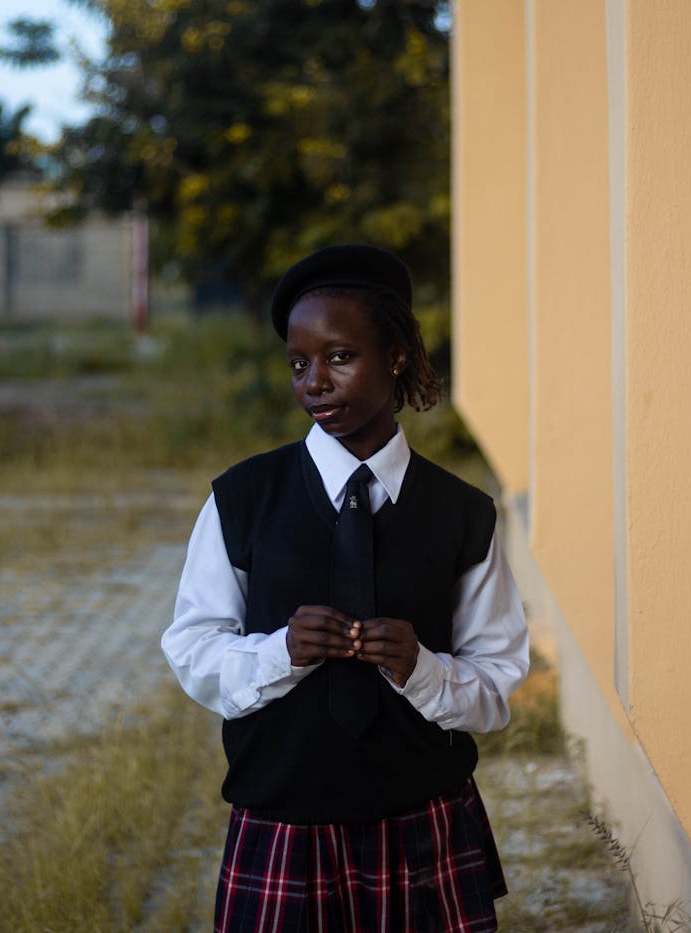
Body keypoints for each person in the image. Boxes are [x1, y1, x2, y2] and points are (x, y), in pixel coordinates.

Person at [161, 244, 529, 933]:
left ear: (395, 354)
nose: (314, 382)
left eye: (338, 356)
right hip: (284, 820)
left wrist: (421, 669)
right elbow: (192, 646)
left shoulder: (462, 514)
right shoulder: (242, 499)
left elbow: (498, 678)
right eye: (299, 363)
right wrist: (280, 651)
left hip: (422, 820)